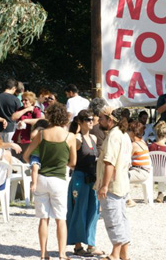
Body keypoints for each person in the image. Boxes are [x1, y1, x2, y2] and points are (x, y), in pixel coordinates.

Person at [24, 102, 76, 260]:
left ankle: (43, 254)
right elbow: (73, 162)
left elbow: (27, 155)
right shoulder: (70, 137)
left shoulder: (41, 134)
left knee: (43, 219)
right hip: (59, 179)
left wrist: (36, 161)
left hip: (41, 179)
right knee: (61, 219)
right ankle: (61, 254)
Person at [95, 106, 132, 260]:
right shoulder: (125, 135)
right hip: (122, 183)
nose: (99, 121)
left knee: (113, 220)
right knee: (121, 219)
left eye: (101, 118)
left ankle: (115, 255)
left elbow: (109, 162)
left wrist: (104, 185)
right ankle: (123, 254)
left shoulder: (113, 136)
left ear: (110, 120)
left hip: (112, 185)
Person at [66, 110, 103, 257]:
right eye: (87, 119)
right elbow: (69, 161)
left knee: (94, 211)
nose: (91, 122)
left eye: (92, 119)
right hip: (80, 178)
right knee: (78, 211)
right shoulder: (76, 139)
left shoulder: (93, 137)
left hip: (93, 178)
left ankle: (91, 244)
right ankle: (77, 245)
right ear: (80, 122)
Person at [127, 120, 151, 206]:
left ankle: (128, 199)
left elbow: (126, 159)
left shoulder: (134, 144)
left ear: (134, 132)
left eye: (129, 130)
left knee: (121, 176)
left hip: (140, 171)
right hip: (143, 171)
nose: (127, 132)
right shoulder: (143, 142)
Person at [0, 78, 19, 143]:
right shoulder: (15, 100)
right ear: (14, 88)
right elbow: (18, 116)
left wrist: (1, 119)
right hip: (11, 129)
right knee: (9, 150)